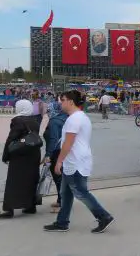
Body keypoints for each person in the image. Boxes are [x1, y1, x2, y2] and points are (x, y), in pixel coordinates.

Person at [43, 91, 114, 233]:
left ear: (70, 102)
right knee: (66, 193)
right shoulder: (80, 117)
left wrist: (59, 162)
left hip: (75, 162)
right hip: (76, 161)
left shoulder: (74, 119)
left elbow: (68, 144)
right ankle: (62, 222)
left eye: (62, 100)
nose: (60, 103)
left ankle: (103, 216)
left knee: (80, 192)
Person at [0, 100, 41, 218]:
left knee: (13, 182)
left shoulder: (18, 121)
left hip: (20, 156)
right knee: (30, 180)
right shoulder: (34, 120)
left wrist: (5, 156)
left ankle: (8, 209)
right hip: (33, 154)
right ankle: (30, 206)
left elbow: (11, 140)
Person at [43, 101, 67, 212]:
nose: (47, 113)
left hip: (56, 152)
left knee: (58, 178)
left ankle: (62, 202)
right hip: (64, 151)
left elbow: (53, 139)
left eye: (48, 110)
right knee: (62, 178)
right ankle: (61, 200)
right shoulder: (64, 118)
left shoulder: (54, 122)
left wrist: (48, 155)